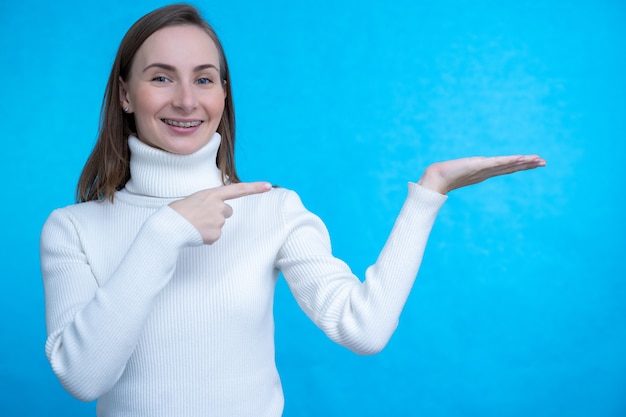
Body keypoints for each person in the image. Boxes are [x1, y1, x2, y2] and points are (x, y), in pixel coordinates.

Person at [40, 4, 546, 417]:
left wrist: (428, 194)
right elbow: (84, 378)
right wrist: (165, 231)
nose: (187, 100)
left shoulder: (273, 211)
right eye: (161, 78)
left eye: (204, 79)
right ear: (126, 94)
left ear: (222, 94)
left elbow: (362, 329)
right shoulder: (72, 229)